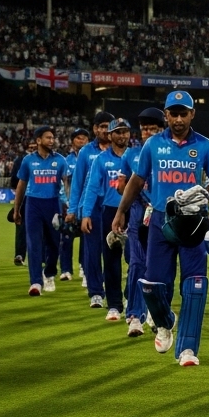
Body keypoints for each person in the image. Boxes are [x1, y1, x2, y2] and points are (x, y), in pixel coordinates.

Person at [112, 91, 209, 362]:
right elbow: (137, 181)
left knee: (194, 286)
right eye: (173, 113)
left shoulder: (205, 146)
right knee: (152, 285)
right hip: (161, 220)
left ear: (192, 114)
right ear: (166, 115)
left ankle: (187, 349)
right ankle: (164, 321)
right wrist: (121, 212)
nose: (178, 118)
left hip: (193, 222)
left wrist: (207, 194)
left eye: (183, 113)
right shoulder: (152, 145)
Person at [118, 107, 165, 336]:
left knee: (158, 268)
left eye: (152, 129)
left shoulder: (167, 153)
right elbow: (122, 184)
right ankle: (135, 316)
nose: (146, 133)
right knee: (136, 263)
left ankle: (157, 314)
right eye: (144, 129)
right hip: (138, 214)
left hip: (160, 214)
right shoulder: (130, 155)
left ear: (161, 130)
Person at [80, 118, 132, 322]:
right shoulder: (100, 159)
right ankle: (114, 305)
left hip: (133, 211)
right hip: (109, 211)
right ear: (110, 136)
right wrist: (86, 214)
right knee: (111, 261)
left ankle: (131, 297)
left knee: (134, 259)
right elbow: (92, 188)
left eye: (125, 131)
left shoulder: (136, 156)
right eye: (117, 132)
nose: (122, 136)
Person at [68, 111, 115, 308]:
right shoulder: (87, 152)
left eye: (108, 126)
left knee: (113, 251)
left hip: (114, 205)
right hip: (92, 206)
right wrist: (73, 210)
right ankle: (96, 292)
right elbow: (77, 183)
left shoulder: (121, 150)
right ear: (95, 129)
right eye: (102, 126)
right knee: (92, 251)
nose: (105, 130)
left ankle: (116, 289)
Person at [12, 126, 64, 297]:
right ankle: (36, 282)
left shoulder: (60, 160)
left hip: (53, 204)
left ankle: (49, 273)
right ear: (38, 140)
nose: (52, 140)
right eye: (48, 137)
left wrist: (69, 205)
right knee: (34, 244)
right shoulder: (28, 161)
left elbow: (68, 183)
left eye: (53, 137)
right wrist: (17, 208)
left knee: (54, 244)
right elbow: (21, 185)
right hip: (33, 205)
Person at [58, 127, 90, 281]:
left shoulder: (93, 159)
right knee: (66, 238)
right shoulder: (66, 161)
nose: (81, 140)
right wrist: (67, 203)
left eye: (84, 137)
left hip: (86, 206)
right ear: (72, 141)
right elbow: (62, 185)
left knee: (86, 239)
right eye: (78, 138)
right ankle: (65, 270)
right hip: (69, 206)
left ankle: (84, 268)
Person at [8, 135, 35, 266]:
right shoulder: (23, 160)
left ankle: (20, 254)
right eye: (31, 147)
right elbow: (14, 180)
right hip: (30, 197)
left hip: (27, 197)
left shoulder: (21, 159)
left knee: (22, 228)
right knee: (26, 226)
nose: (33, 149)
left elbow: (13, 180)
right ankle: (37, 256)